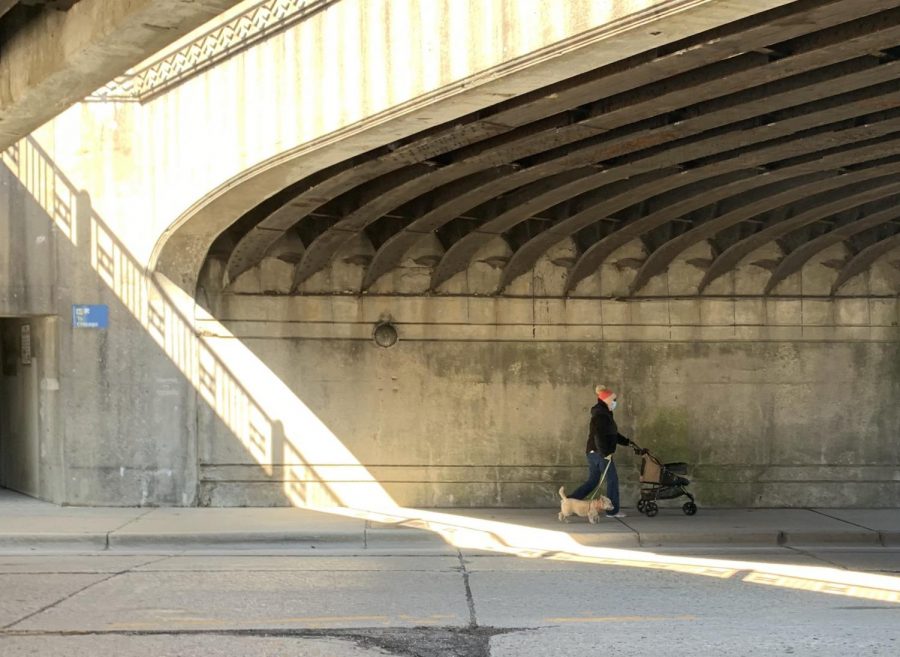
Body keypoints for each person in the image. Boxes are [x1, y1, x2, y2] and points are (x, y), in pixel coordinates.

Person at [568, 385, 632, 518]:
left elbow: (612, 433)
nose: (615, 402)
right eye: (613, 400)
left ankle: (569, 501)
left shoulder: (603, 413)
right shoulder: (602, 415)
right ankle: (612, 511)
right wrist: (605, 453)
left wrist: (626, 442)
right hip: (600, 453)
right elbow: (599, 436)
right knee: (612, 479)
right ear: (607, 400)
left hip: (592, 452)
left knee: (593, 480)